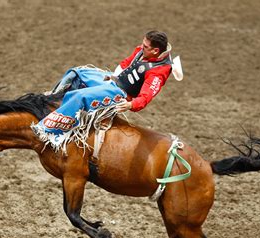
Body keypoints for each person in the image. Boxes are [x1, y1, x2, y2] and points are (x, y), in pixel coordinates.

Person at [33, 30, 177, 150]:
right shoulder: (143, 51)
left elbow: (147, 95)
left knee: (79, 96)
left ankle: (47, 129)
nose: (141, 46)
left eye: (146, 46)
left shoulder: (159, 71)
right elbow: (127, 63)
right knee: (76, 72)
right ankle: (52, 99)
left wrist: (131, 104)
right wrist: (113, 76)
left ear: (155, 50)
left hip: (121, 94)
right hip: (114, 81)